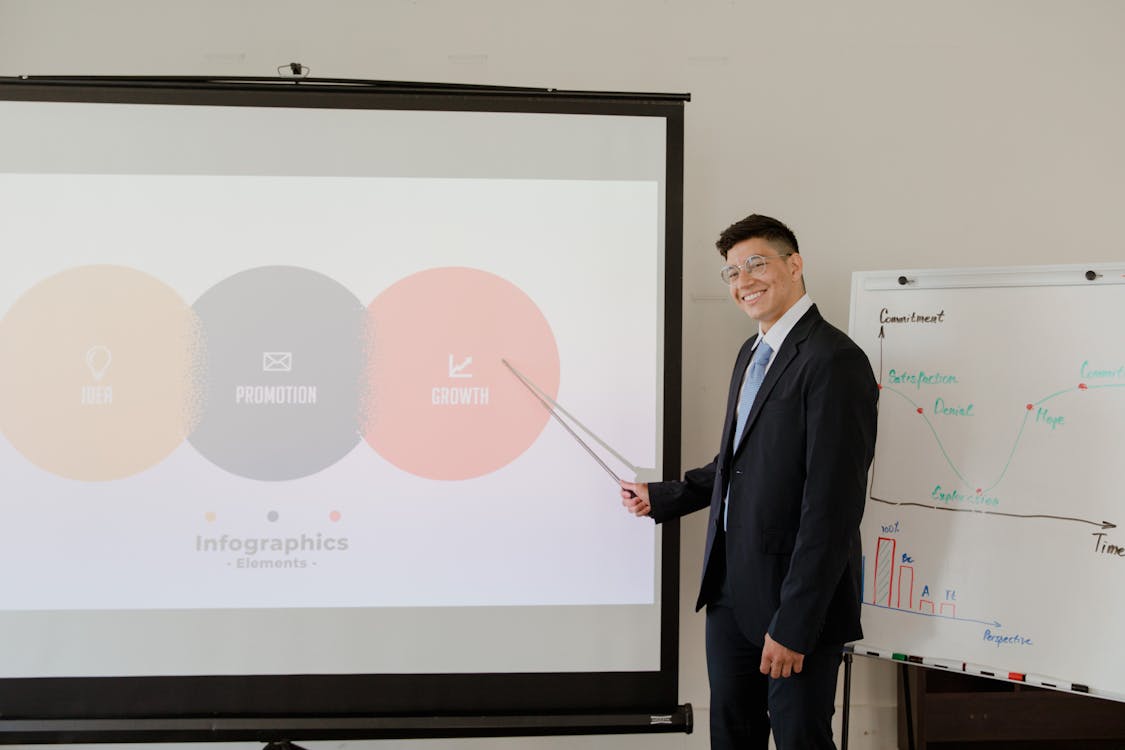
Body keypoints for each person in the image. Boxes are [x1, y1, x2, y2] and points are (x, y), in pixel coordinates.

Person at [621, 214, 878, 750]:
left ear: (795, 264)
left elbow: (833, 507)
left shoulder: (834, 360)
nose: (744, 282)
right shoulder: (752, 352)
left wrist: (795, 623)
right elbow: (738, 462)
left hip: (793, 603)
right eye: (732, 273)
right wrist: (664, 495)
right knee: (731, 736)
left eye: (756, 264)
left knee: (799, 740)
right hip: (731, 593)